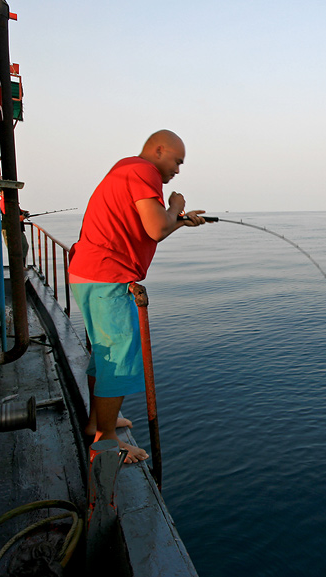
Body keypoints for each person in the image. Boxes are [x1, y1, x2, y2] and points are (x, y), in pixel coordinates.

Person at [68, 130, 205, 462]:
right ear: (159, 151)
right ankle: (107, 440)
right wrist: (175, 206)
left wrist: (178, 221)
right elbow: (156, 228)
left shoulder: (126, 170)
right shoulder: (145, 171)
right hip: (107, 277)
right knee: (117, 356)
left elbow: (151, 226)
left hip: (88, 273)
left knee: (104, 354)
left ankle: (98, 422)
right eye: (177, 161)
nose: (177, 170)